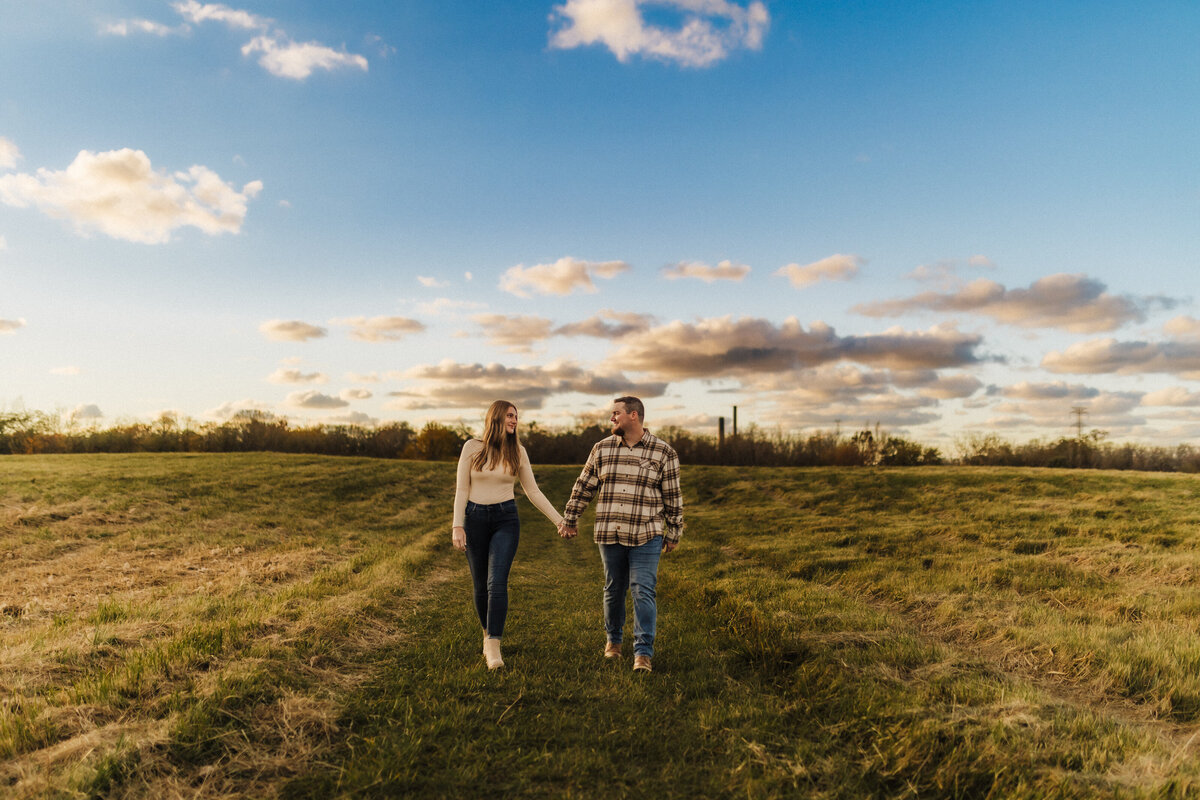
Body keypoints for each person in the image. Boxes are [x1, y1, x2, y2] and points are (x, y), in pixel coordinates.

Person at [559, 396, 683, 673]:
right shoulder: (601, 449)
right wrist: (570, 519)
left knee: (643, 591)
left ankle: (643, 652)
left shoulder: (664, 452)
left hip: (646, 534)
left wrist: (674, 531)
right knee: (614, 589)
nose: (611, 418)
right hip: (610, 532)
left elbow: (672, 496)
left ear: (634, 416)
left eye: (616, 413)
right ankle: (613, 642)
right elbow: (584, 487)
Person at [452, 400, 564, 670]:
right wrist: (457, 525)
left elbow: (533, 491)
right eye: (510, 415)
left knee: (497, 582)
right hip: (475, 519)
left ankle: (493, 646)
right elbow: (461, 490)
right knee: (480, 586)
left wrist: (559, 520)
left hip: (506, 519)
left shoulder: (518, 452)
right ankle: (486, 633)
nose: (514, 420)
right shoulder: (472, 447)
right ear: (496, 418)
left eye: (516, 416)